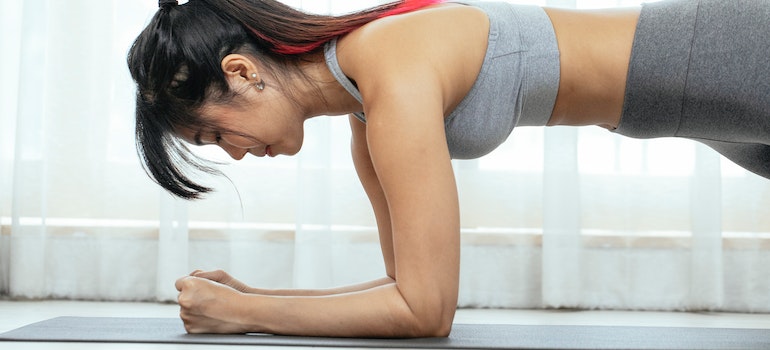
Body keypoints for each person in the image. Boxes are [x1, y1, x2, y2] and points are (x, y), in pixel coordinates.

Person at [127, 0, 770, 338]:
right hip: (704, 112)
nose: (234, 154)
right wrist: (252, 298)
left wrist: (246, 316)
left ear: (242, 73)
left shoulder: (388, 63)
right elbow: (397, 290)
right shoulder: (366, 115)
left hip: (719, 58)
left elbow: (424, 313)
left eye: (215, 133)